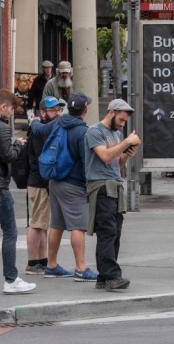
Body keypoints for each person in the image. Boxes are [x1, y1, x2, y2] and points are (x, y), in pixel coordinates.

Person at [85, 99, 141, 291]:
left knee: (114, 232)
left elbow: (115, 163)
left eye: (124, 122)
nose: (122, 124)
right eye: (121, 120)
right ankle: (111, 275)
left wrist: (127, 154)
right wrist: (126, 142)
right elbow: (105, 156)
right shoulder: (94, 131)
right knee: (107, 231)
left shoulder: (116, 134)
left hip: (115, 185)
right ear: (111, 112)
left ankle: (104, 277)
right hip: (101, 187)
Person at [45, 92, 97, 282]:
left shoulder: (59, 124)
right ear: (84, 109)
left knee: (56, 224)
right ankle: (81, 268)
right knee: (78, 226)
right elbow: (86, 162)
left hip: (55, 179)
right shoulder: (82, 131)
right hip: (73, 183)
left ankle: (51, 265)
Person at [0, 88, 36, 294]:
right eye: (12, 108)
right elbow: (8, 156)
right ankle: (11, 279)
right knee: (10, 233)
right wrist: (18, 146)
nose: (12, 112)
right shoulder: (3, 129)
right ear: (3, 107)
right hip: (1, 188)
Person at [24, 96, 62, 276]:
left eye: (58, 109)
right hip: (39, 182)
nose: (57, 113)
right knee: (37, 223)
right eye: (53, 110)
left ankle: (42, 260)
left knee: (42, 223)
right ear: (43, 112)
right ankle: (33, 262)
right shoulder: (41, 131)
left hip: (40, 182)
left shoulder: (41, 128)